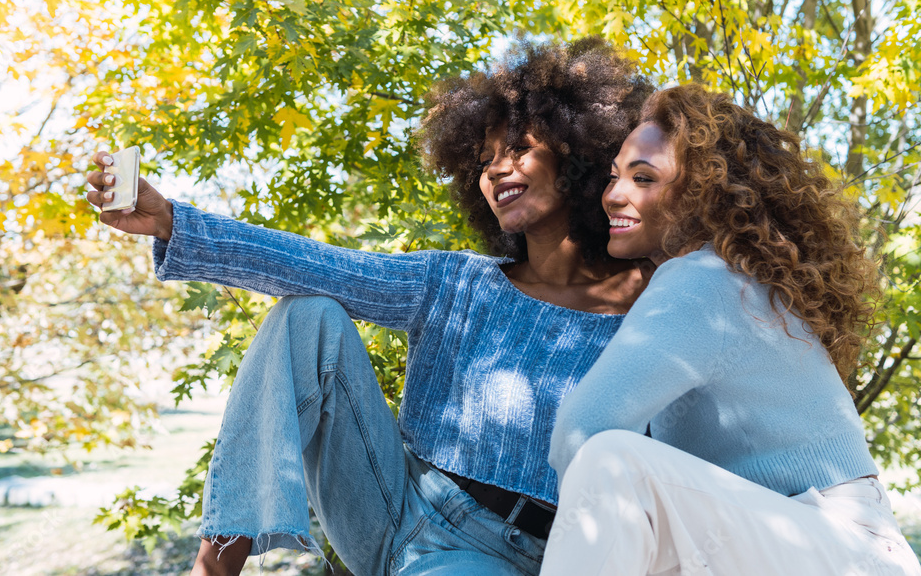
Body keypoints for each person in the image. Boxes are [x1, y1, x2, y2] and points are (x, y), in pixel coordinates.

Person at [85, 38, 655, 576]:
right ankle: (213, 567)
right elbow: (312, 266)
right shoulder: (455, 282)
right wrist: (172, 222)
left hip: (509, 554)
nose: (496, 169)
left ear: (579, 156)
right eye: (484, 159)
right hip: (388, 499)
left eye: (519, 149)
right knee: (308, 316)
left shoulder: (653, 307)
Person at [541, 83, 921, 575]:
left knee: (612, 460)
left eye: (643, 178)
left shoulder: (703, 279)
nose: (613, 195)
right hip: (817, 544)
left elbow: (582, 429)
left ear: (703, 192)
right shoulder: (738, 280)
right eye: (615, 176)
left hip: (843, 547)